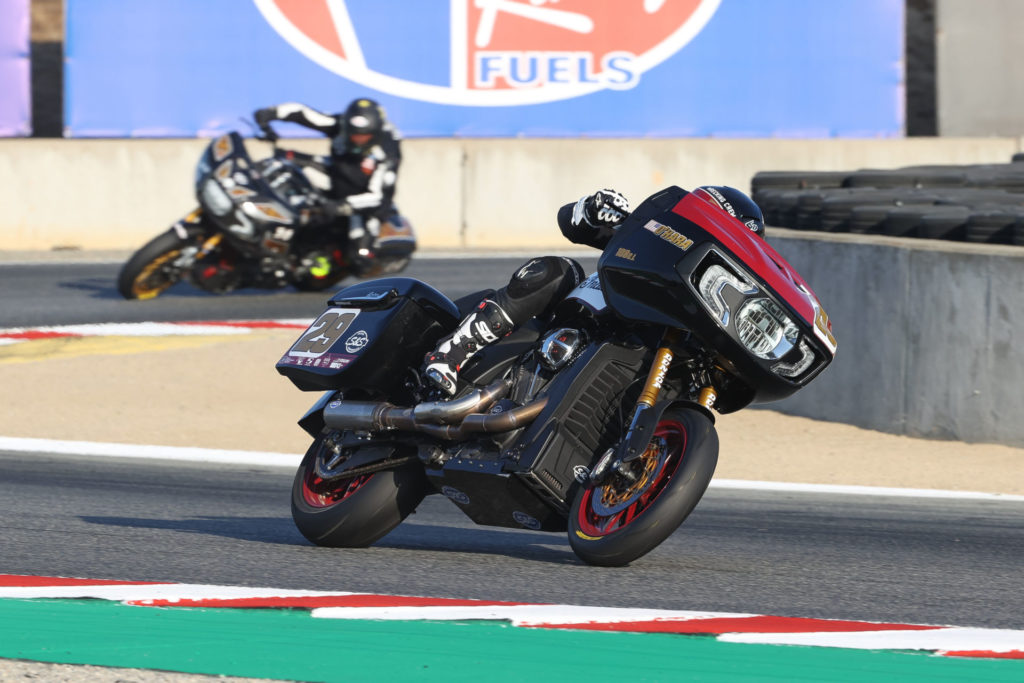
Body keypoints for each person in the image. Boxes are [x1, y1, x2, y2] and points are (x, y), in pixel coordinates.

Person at [422, 185, 766, 395]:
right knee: (560, 269)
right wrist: (594, 207)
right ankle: (450, 354)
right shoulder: (652, 241)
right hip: (564, 327)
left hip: (632, 369)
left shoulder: (719, 316)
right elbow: (569, 221)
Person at [252, 98, 402, 273]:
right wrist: (269, 114)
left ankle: (345, 260)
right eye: (353, 135)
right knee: (286, 166)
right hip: (337, 180)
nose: (357, 141)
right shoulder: (340, 125)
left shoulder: (388, 152)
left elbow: (378, 197)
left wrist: (342, 206)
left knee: (360, 257)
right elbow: (304, 114)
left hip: (364, 205)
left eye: (364, 137)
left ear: (375, 134)